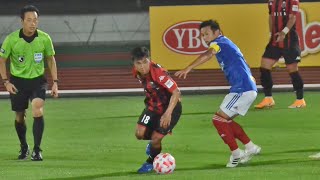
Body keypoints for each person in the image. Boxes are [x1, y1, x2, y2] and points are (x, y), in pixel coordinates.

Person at [175, 20, 260, 168]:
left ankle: (236, 153)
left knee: (218, 120)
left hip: (242, 89)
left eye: (207, 34)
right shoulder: (227, 43)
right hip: (245, 87)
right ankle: (251, 147)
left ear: (217, 32)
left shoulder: (219, 43)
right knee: (225, 121)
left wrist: (188, 68)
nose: (204, 37)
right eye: (202, 35)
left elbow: (208, 54)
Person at [0, 5, 58, 161]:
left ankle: (37, 150)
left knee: (37, 109)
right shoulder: (11, 39)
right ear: (22, 21)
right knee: (20, 117)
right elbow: (2, 60)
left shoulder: (44, 38)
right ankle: (24, 146)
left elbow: (51, 60)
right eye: (29, 20)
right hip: (18, 82)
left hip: (37, 81)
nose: (33, 23)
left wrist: (55, 82)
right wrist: (6, 82)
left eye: (35, 20)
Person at [131, 47, 182, 173]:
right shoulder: (136, 72)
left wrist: (168, 113)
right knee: (139, 134)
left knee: (156, 139)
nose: (142, 66)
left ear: (149, 60)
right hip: (153, 106)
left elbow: (176, 92)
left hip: (171, 108)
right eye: (139, 63)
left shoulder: (159, 74)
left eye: (145, 62)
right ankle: (153, 146)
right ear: (134, 64)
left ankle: (151, 161)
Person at [255, 0, 306, 109]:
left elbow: (292, 18)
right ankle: (268, 98)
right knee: (264, 66)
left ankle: (300, 100)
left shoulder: (293, 1)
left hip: (289, 41)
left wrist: (284, 32)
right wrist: (271, 33)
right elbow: (270, 17)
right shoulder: (271, 1)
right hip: (275, 40)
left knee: (292, 69)